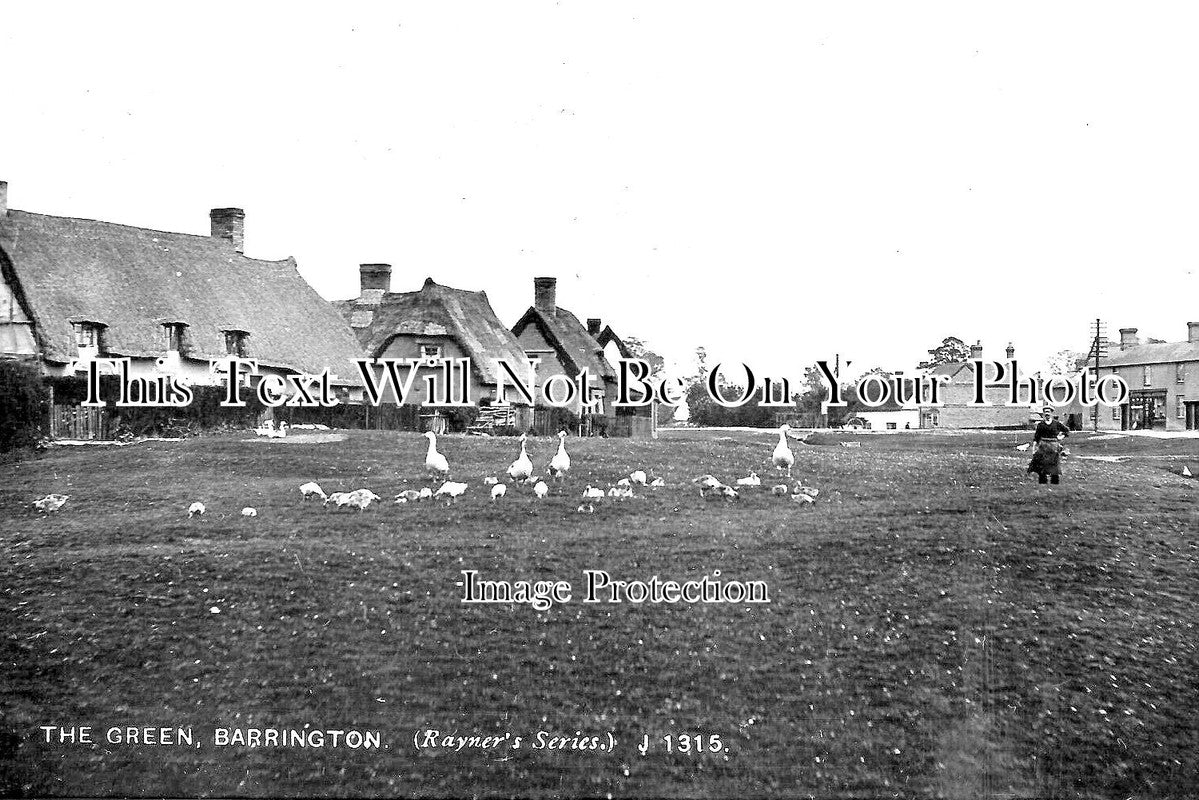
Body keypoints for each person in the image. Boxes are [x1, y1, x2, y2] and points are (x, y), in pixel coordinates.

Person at [1028, 407, 1069, 484]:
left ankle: (1054, 483)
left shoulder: (1056, 423)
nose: (1047, 413)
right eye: (1045, 412)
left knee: (1054, 466)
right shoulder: (1040, 425)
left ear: (1051, 413)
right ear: (1043, 414)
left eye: (1048, 412)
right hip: (1043, 447)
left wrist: (1060, 437)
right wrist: (1034, 449)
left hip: (1054, 447)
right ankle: (1043, 482)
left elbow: (1066, 431)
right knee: (1042, 466)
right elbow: (1036, 437)